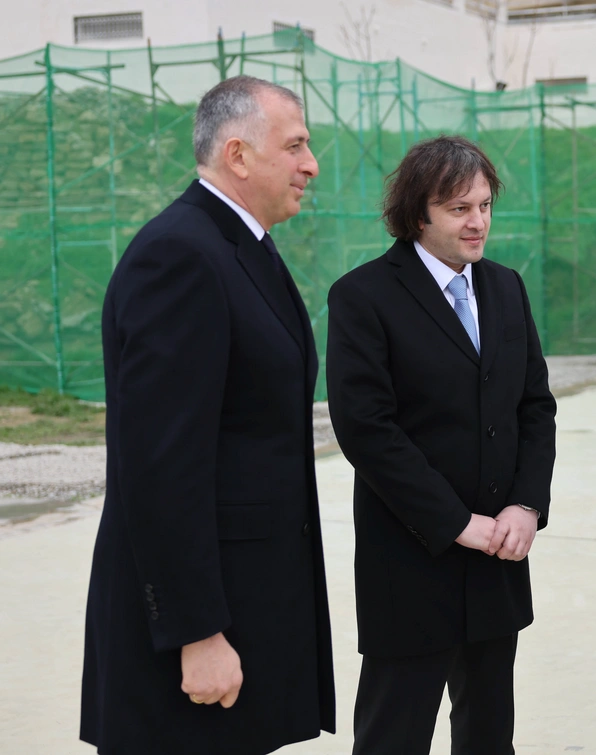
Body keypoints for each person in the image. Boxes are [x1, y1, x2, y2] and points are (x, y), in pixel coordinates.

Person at [81, 76, 335, 754]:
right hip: (194, 636)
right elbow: (161, 464)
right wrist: (196, 633)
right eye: (296, 145)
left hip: (244, 608)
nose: (312, 164)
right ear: (239, 155)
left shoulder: (238, 246)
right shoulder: (182, 256)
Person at [325, 135, 556, 755]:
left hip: (498, 556)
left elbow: (535, 407)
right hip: (410, 557)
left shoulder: (506, 287)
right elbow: (367, 430)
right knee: (393, 735)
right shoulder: (363, 296)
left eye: (484, 205)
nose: (477, 221)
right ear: (417, 213)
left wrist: (526, 506)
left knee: (488, 736)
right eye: (459, 208)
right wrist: (456, 523)